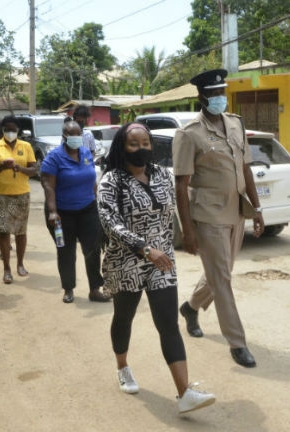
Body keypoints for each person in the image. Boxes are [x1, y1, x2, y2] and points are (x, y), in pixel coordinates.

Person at [98, 122, 216, 414]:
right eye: (134, 144)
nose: (142, 149)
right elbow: (110, 223)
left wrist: (192, 234)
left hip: (161, 262)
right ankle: (123, 366)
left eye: (146, 143)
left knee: (168, 324)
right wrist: (143, 248)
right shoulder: (111, 181)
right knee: (124, 318)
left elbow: (181, 202)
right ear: (122, 148)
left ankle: (185, 393)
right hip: (125, 262)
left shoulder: (163, 175)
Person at [172, 69, 264, 368]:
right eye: (213, 94)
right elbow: (181, 185)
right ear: (201, 97)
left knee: (219, 273)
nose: (219, 98)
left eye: (221, 92)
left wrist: (258, 209)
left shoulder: (236, 124)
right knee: (222, 278)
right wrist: (187, 231)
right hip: (208, 215)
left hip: (236, 211)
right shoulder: (189, 134)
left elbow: (246, 168)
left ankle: (190, 307)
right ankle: (237, 342)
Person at [40, 120, 110, 303]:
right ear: (64, 136)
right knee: (65, 250)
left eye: (79, 134)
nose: (76, 138)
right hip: (62, 213)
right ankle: (68, 288)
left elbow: (91, 180)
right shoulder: (54, 157)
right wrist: (53, 212)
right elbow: (48, 185)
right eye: (72, 135)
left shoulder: (86, 153)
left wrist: (99, 202)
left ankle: (95, 289)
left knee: (93, 249)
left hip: (87, 209)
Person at [0, 115, 37, 284]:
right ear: (2, 130)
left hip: (21, 193)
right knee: (4, 231)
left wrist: (19, 168)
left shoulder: (26, 146)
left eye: (14, 129)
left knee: (21, 232)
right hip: (1, 194)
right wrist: (1, 167)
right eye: (7, 129)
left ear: (18, 130)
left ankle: (20, 263)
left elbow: (34, 170)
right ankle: (6, 268)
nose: (10, 132)